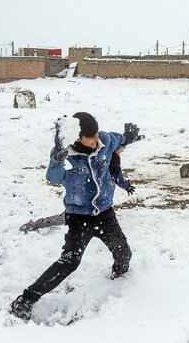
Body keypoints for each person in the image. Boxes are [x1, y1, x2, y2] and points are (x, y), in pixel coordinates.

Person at [10, 112, 143, 320]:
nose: (96, 139)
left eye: (97, 134)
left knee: (124, 253)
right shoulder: (66, 156)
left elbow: (119, 139)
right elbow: (53, 178)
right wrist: (58, 156)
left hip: (105, 213)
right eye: (91, 137)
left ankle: (118, 281)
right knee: (69, 262)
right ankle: (26, 299)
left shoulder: (105, 140)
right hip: (79, 217)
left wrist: (128, 135)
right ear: (77, 138)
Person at [19, 147, 135, 232]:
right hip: (93, 193)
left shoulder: (101, 150)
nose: (122, 152)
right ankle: (36, 224)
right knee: (70, 216)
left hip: (86, 187)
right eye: (122, 149)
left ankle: (38, 224)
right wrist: (127, 186)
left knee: (74, 215)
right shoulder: (113, 157)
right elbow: (117, 177)